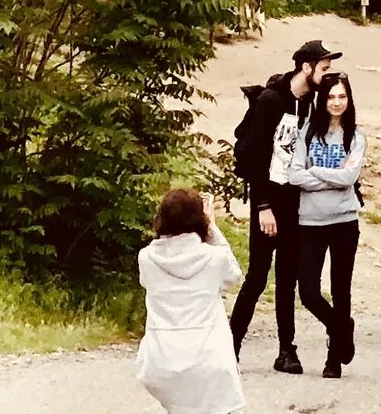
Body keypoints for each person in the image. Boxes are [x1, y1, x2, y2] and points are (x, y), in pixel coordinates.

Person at [229, 38, 335, 373]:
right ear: (307, 67)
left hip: (295, 203)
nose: (328, 74)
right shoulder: (272, 101)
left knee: (287, 278)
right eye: (324, 68)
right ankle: (230, 347)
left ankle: (286, 350)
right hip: (268, 200)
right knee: (257, 277)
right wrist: (262, 206)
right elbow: (255, 154)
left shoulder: (312, 104)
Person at [279, 69, 366, 379]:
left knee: (341, 290)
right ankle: (342, 328)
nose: (337, 102)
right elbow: (293, 175)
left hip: (344, 221)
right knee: (309, 292)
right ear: (322, 100)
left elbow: (349, 178)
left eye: (342, 96)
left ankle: (333, 360)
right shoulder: (307, 132)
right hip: (310, 222)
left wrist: (316, 173)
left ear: (349, 99)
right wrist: (331, 176)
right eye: (331, 97)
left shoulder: (355, 135)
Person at [137, 186, 243, 414]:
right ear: (200, 220)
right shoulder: (215, 258)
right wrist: (213, 229)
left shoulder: (146, 258)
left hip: (161, 360)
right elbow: (234, 275)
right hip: (209, 361)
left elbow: (146, 282)